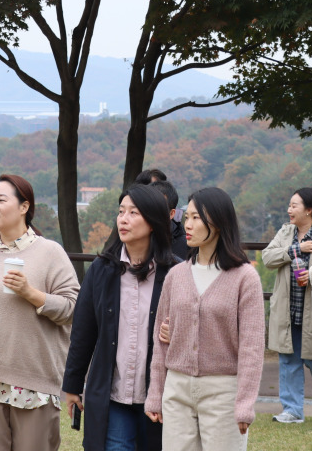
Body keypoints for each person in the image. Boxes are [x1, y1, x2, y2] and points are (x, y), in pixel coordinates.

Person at [0, 168, 79, 448]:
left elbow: (73, 309)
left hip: (35, 381)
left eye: (1, 200)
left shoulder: (50, 253)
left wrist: (32, 294)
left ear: (24, 207)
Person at [145, 187, 265, 451]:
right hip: (177, 390)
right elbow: (160, 340)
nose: (187, 225)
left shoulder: (245, 278)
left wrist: (244, 403)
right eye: (186, 217)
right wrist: (156, 394)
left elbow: (252, 347)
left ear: (220, 223)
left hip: (223, 391)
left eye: (196, 218)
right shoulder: (176, 276)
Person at [63, 182, 175, 451]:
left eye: (134, 213)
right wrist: (72, 385)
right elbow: (83, 331)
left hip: (160, 396)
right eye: (121, 211)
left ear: (154, 222)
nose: (124, 219)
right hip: (113, 395)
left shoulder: (174, 272)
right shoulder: (102, 270)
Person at [262, 190, 312, 429]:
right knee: (288, 358)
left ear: (308, 210)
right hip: (288, 309)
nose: (289, 210)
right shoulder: (286, 232)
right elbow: (267, 258)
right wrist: (294, 251)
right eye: (289, 205)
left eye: (294, 205)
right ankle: (292, 410)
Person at [140, 184, 189, 266]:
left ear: (171, 213)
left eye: (159, 207)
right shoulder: (133, 239)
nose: (150, 213)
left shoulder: (185, 246)